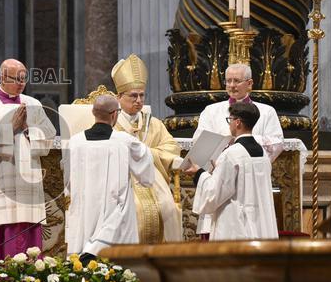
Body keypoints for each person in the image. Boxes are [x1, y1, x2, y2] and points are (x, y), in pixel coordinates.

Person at [0, 59, 56, 264]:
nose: (20, 84)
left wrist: (27, 128)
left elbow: (48, 136)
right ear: (1, 77)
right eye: (16, 79)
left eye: (23, 79)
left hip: (27, 179)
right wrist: (11, 127)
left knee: (27, 228)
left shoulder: (33, 104)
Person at [193, 63, 284, 236]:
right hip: (221, 175)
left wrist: (241, 146)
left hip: (252, 177)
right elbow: (200, 143)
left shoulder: (266, 111)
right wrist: (223, 148)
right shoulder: (211, 111)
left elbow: (276, 143)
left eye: (236, 81)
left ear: (249, 83)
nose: (232, 85)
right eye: (228, 81)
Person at [63, 94, 155, 260]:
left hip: (84, 214)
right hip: (116, 219)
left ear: (93, 112)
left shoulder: (75, 142)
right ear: (115, 114)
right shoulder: (126, 141)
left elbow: (68, 182)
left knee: (83, 268)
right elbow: (146, 172)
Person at [111, 54, 184, 242]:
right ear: (119, 97)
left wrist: (146, 153)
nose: (138, 100)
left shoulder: (153, 123)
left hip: (152, 178)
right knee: (133, 209)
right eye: (133, 95)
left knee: (167, 207)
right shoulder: (111, 124)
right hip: (121, 179)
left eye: (142, 95)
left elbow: (170, 147)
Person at [186, 102, 278, 240]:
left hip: (237, 228)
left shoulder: (231, 154)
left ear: (238, 123)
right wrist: (220, 170)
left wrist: (199, 173)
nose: (229, 124)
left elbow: (213, 195)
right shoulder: (263, 154)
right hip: (260, 226)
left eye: (230, 120)